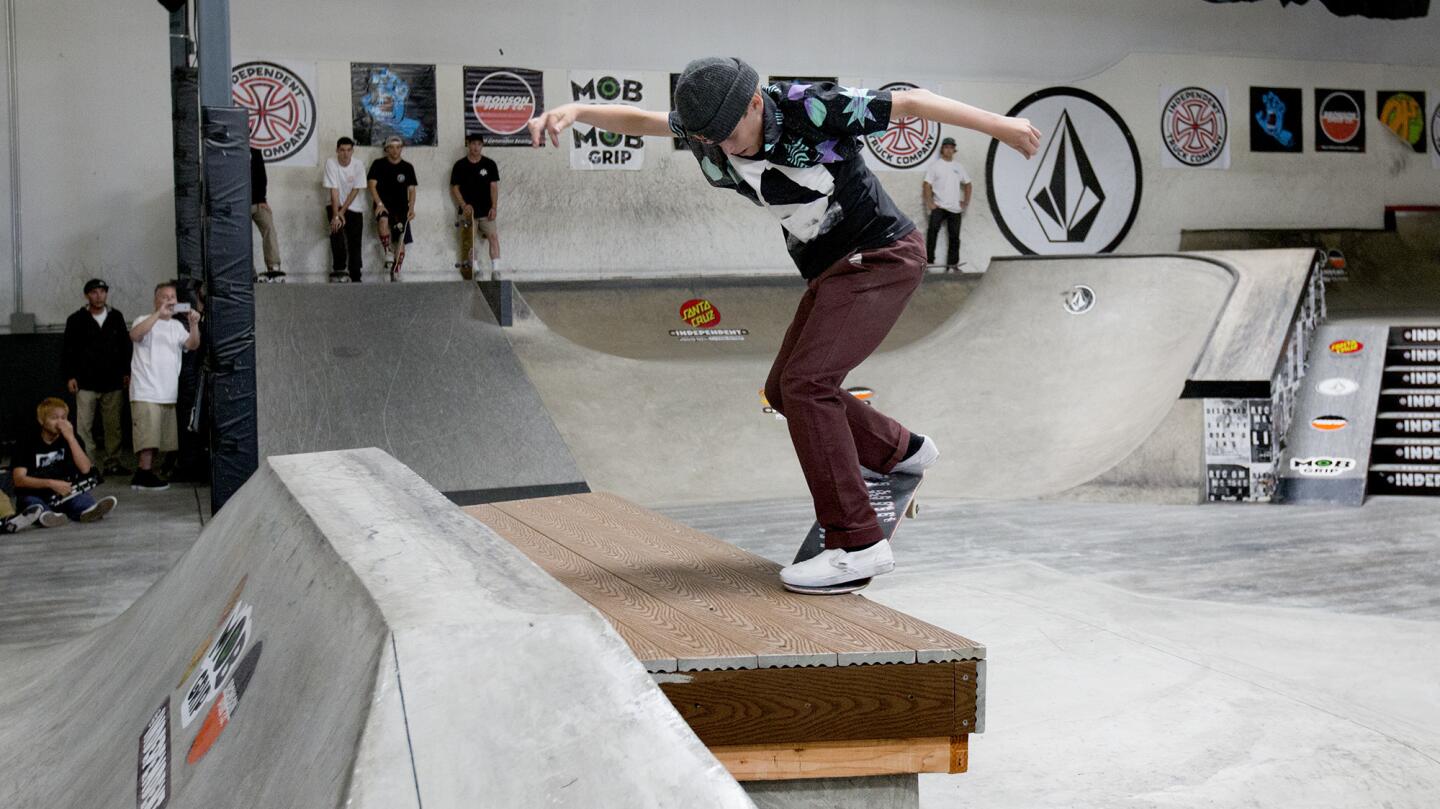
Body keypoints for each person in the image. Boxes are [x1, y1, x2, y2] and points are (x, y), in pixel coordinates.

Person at [528, 57, 1039, 592]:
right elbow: (644, 121)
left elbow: (909, 103)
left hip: (880, 253)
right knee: (782, 389)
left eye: (730, 135)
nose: (726, 149)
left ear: (756, 102)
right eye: (710, 140)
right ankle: (902, 450)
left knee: (807, 385)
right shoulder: (706, 126)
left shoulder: (809, 107)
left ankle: (858, 544)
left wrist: (1000, 126)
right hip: (829, 271)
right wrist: (577, 110)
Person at [129, 281, 201, 491]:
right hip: (146, 390)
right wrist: (157, 314)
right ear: (156, 300)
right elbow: (134, 335)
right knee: (147, 436)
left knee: (161, 437)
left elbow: (192, 345)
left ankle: (149, 472)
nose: (170, 300)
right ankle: (142, 475)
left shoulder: (177, 326)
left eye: (173, 297)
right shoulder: (144, 320)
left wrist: (194, 324)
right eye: (165, 297)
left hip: (168, 391)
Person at [62, 278, 132, 477]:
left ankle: (113, 462)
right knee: (84, 426)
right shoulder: (76, 319)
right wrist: (70, 376)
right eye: (94, 292)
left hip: (113, 380)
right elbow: (68, 351)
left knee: (113, 426)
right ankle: (87, 464)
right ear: (87, 295)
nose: (99, 296)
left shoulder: (116, 316)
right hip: (85, 382)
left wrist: (127, 372)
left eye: (102, 291)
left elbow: (125, 347)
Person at [11, 398, 117, 526]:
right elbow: (19, 479)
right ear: (41, 421)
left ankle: (88, 511)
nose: (60, 423)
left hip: (65, 492)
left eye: (64, 418)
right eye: (54, 418)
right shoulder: (26, 442)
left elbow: (85, 469)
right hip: (35, 493)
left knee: (81, 498)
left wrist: (71, 438)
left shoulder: (72, 438)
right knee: (33, 504)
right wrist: (50, 483)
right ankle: (46, 516)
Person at [449, 133, 501, 279]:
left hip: (486, 210)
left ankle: (496, 270)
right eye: (473, 144)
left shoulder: (489, 164)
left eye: (479, 144)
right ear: (468, 145)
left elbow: (494, 188)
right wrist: (464, 205)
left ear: (482, 146)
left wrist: (494, 207)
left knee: (493, 237)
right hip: (467, 212)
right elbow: (455, 188)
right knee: (470, 242)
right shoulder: (459, 165)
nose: (476, 147)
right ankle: (476, 270)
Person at [367, 135, 418, 280]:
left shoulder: (407, 167)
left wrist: (411, 208)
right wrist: (379, 203)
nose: (395, 151)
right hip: (383, 206)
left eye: (398, 147)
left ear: (401, 148)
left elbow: (412, 190)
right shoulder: (378, 164)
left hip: (401, 209)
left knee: (401, 242)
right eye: (392, 147)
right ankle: (387, 251)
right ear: (386, 149)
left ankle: (396, 271)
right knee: (383, 222)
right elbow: (372, 185)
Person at [922, 137, 971, 271]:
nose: (948, 150)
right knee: (932, 232)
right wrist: (930, 203)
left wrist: (966, 201)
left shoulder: (958, 167)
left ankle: (953, 265)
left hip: (955, 208)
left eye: (951, 147)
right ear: (942, 149)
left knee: (954, 237)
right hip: (939, 206)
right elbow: (927, 184)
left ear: (954, 150)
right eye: (946, 147)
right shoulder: (935, 166)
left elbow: (968, 184)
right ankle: (929, 262)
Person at [323, 137, 367, 283]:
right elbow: (334, 191)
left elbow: (355, 190)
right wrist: (336, 215)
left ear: (352, 151)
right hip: (334, 205)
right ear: (337, 150)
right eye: (342, 150)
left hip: (353, 206)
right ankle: (339, 269)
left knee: (355, 241)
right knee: (336, 233)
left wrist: (343, 212)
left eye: (349, 150)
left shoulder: (358, 164)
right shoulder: (331, 163)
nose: (345, 154)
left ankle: (356, 274)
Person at [251, 147, 284, 281]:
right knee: (243, 237)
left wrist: (262, 199)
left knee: (269, 227)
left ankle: (273, 265)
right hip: (239, 204)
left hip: (258, 202)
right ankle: (248, 269)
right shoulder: (231, 151)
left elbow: (262, 177)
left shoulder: (255, 152)